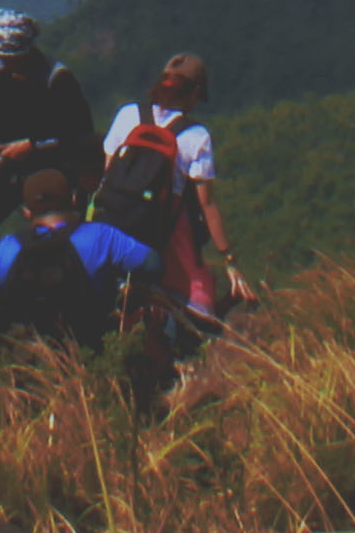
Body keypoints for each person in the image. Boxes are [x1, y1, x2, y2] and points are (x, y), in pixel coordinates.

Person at [90, 54, 254, 336]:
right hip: (162, 230)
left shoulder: (128, 114)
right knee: (200, 315)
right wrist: (229, 259)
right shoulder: (196, 136)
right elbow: (207, 204)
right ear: (195, 93)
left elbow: (106, 174)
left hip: (108, 223)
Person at [0, 8, 97, 249]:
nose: (9, 65)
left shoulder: (56, 78)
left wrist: (33, 147)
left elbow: (82, 137)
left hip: (58, 167)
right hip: (16, 164)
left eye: (15, 59)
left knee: (61, 238)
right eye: (4, 58)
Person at [0, 163, 159, 348]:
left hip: (30, 355)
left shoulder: (7, 248)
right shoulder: (99, 236)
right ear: (73, 200)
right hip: (95, 349)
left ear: (27, 212)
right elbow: (153, 264)